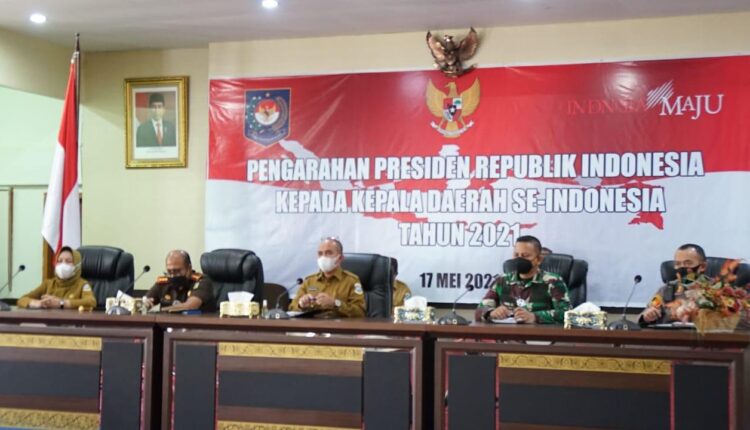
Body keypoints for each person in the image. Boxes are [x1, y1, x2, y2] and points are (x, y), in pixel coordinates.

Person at [475, 235, 570, 324]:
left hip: (539, 334)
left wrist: (534, 317)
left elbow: (566, 313)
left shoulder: (552, 281)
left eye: (525, 256)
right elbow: (479, 311)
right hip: (507, 333)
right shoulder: (502, 280)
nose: (519, 260)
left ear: (539, 259)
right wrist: (491, 313)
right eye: (516, 255)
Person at [289, 238, 365, 318]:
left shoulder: (351, 281)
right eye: (320, 253)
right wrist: (301, 304)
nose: (323, 257)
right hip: (312, 325)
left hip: (338, 325)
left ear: (340, 258)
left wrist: (335, 303)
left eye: (328, 253)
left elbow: (360, 312)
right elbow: (291, 308)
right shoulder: (309, 281)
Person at [639, 243, 711, 325]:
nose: (682, 268)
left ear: (703, 266)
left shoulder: (717, 290)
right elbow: (646, 313)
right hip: (671, 332)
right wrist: (647, 316)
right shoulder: (665, 290)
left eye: (688, 263)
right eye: (678, 264)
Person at [17, 246, 96, 309]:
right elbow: (22, 300)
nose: (63, 264)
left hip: (72, 322)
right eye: (59, 261)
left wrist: (61, 303)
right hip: (50, 322)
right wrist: (36, 303)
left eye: (68, 261)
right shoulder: (48, 284)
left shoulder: (82, 284)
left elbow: (91, 302)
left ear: (77, 265)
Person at [144, 250, 214, 312]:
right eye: (169, 271)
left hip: (196, 322)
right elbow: (146, 301)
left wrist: (160, 310)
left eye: (177, 271)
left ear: (189, 268)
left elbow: (190, 306)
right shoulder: (164, 282)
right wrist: (145, 304)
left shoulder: (202, 281)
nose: (172, 276)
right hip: (167, 322)